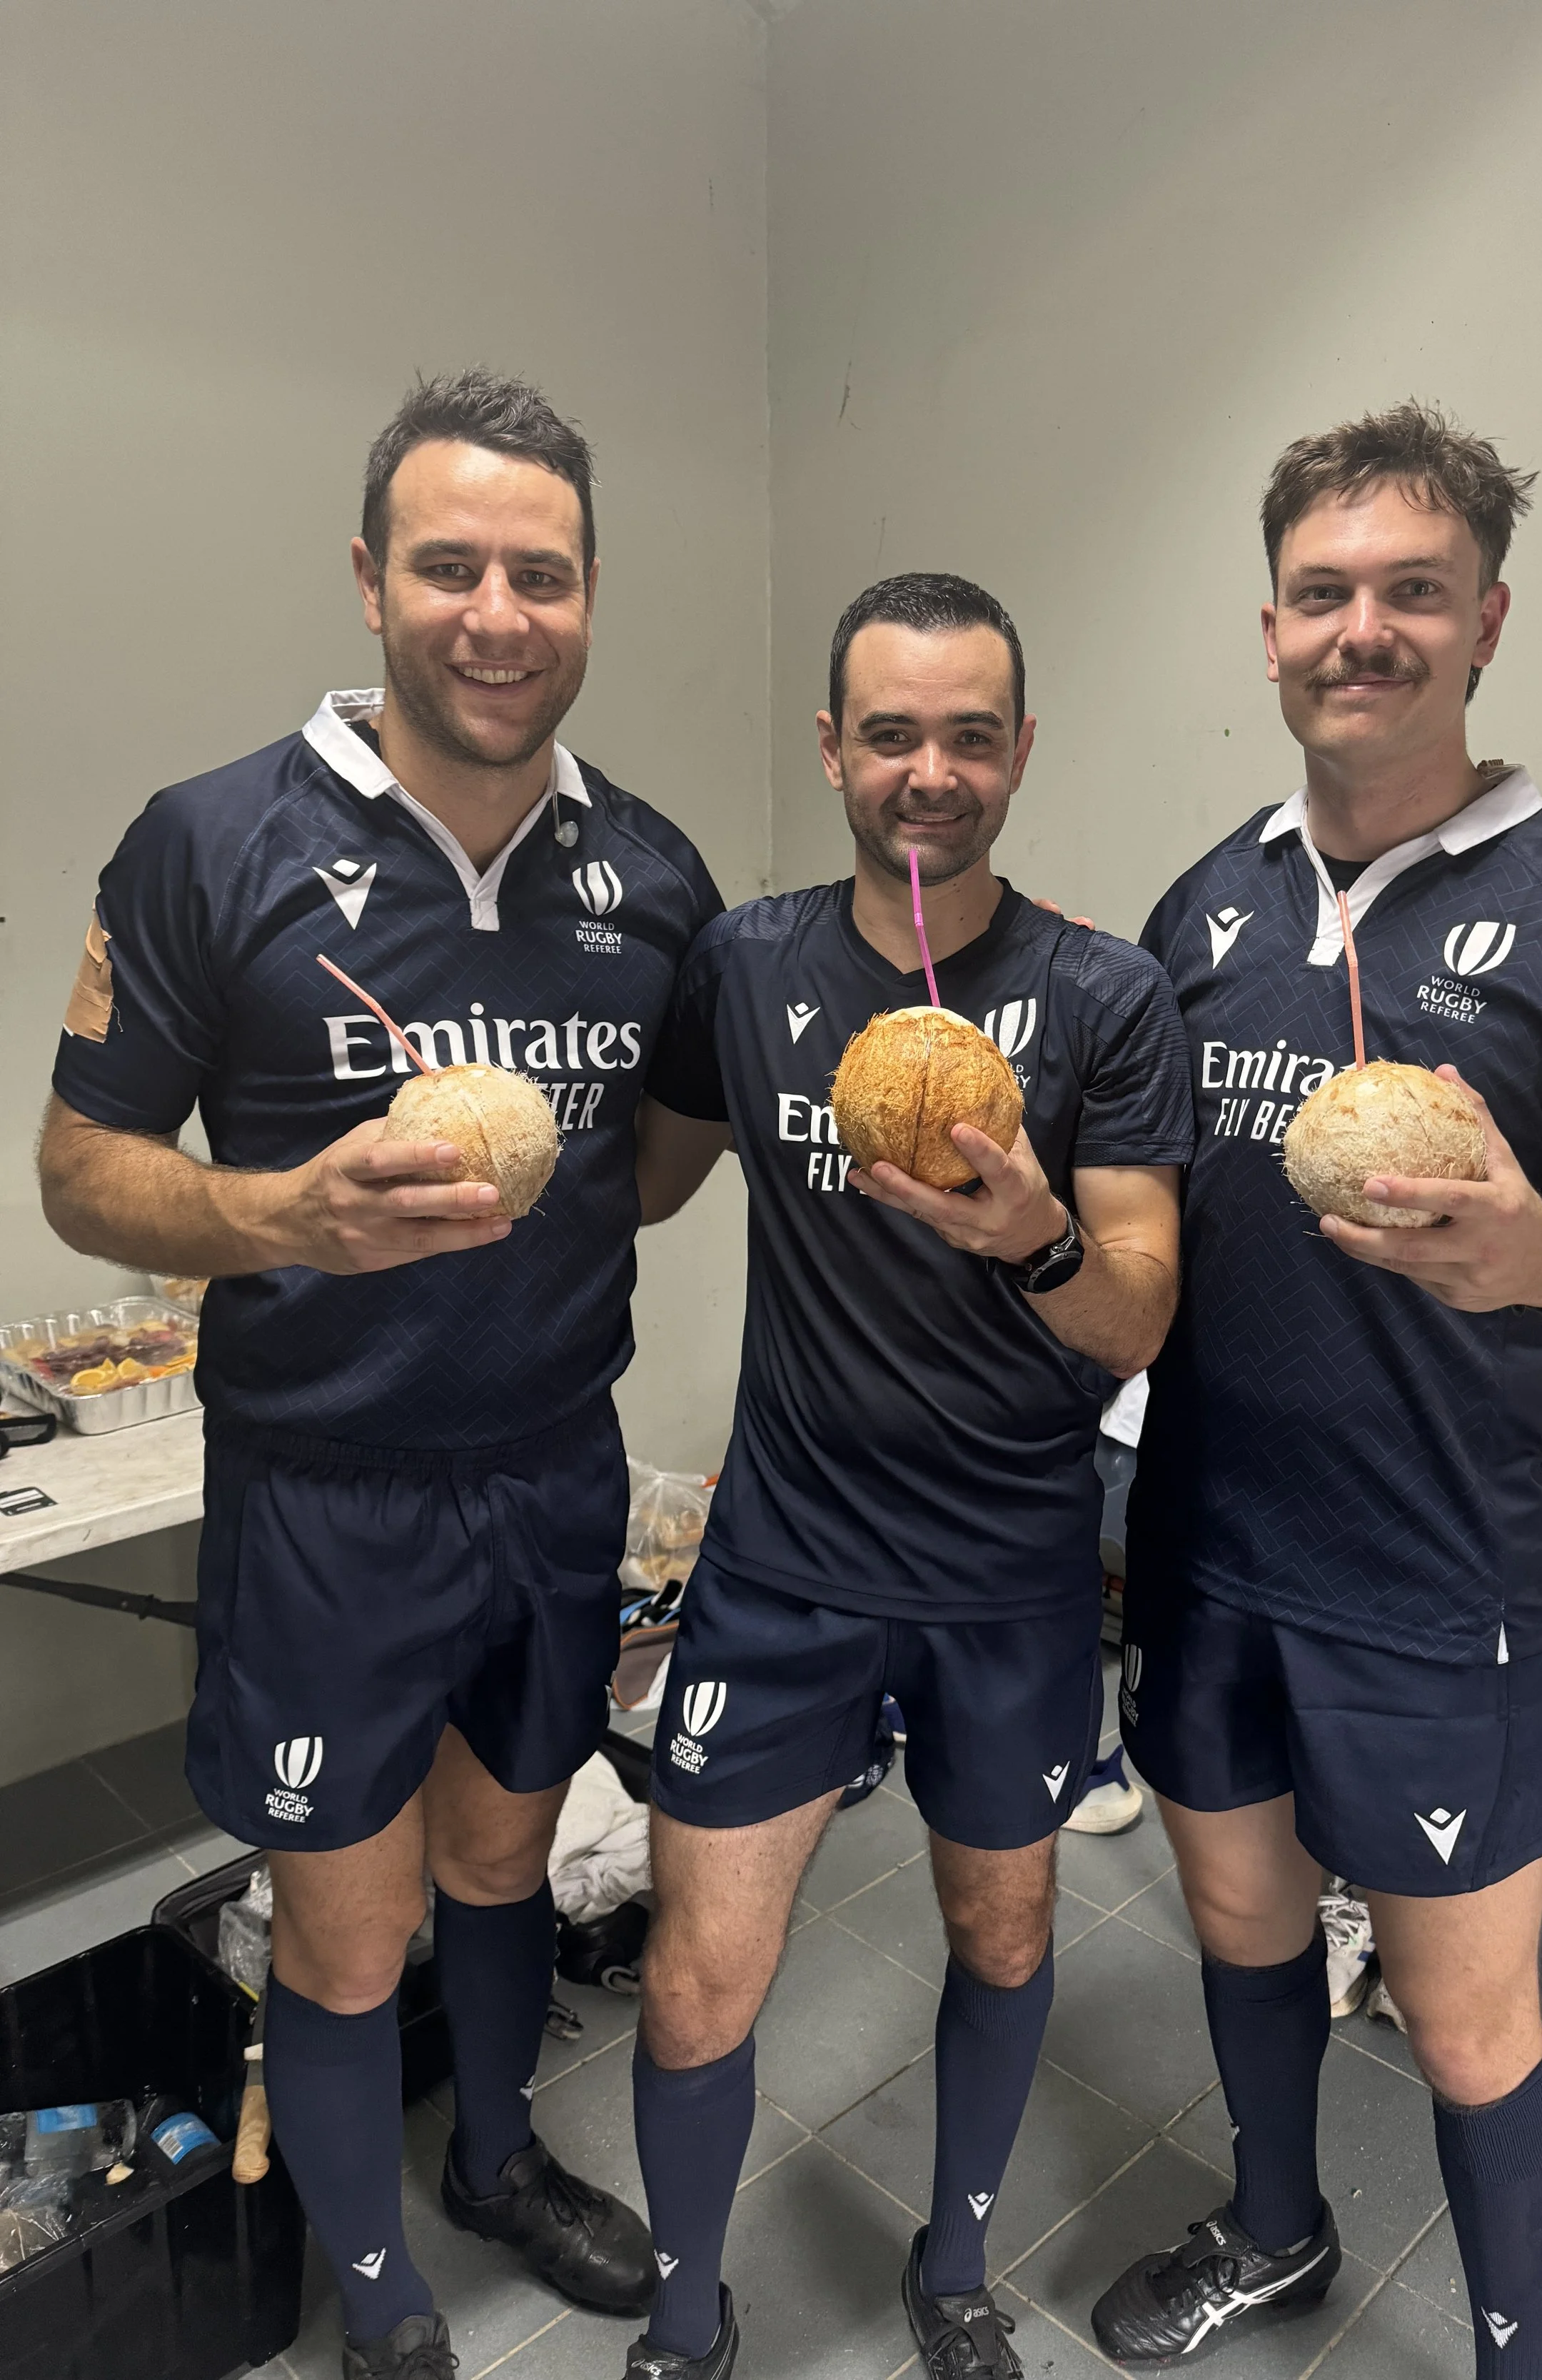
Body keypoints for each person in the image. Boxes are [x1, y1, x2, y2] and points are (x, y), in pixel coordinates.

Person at [39, 370, 725, 2380]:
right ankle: (376, 2300)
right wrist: (291, 1221)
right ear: (368, 580)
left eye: (540, 572)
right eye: (448, 566)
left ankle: (496, 2158)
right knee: (344, 1927)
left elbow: (657, 1163)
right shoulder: (206, 842)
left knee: (506, 1856)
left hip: (548, 1469)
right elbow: (81, 1174)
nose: (493, 613)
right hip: (323, 1495)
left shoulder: (653, 877)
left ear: (589, 594)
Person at [1089, 401, 1542, 2378]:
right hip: (1209, 1553)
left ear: (1484, 620)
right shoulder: (1203, 906)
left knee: (1472, 2032)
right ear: (1269, 624)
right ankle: (1278, 2229)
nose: (1358, 628)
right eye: (1322, 592)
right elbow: (1140, 1227)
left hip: (1430, 1580)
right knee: (1236, 1930)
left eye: (1408, 591)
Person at [623, 573, 1196, 2379]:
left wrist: (1031, 1238)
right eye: (890, 733)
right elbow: (634, 1185)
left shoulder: (1106, 999)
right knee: (701, 1970)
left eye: (967, 735)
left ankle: (952, 2268)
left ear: (1018, 751)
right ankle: (682, 2303)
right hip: (779, 1564)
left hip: (1007, 1577)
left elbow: (1134, 1321)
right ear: (832, 749)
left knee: (1004, 1924)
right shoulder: (743, 963)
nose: (926, 770)